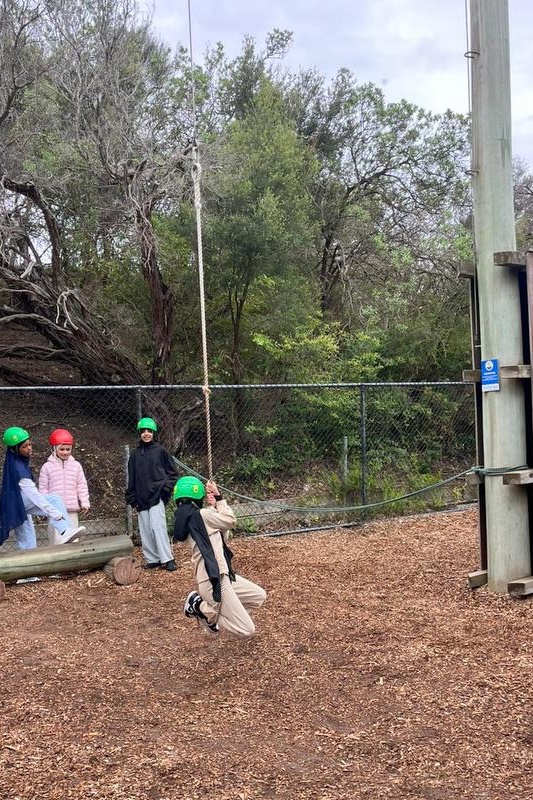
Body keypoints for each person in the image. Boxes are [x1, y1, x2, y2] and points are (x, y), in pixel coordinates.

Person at [173, 476, 266, 636]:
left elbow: (223, 536)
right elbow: (230, 521)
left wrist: (215, 508)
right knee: (247, 629)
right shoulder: (202, 515)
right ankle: (200, 607)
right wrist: (219, 497)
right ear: (198, 496)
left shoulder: (195, 519)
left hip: (221, 575)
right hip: (213, 580)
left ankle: (212, 612)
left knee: (258, 596)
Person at [0, 426, 86, 552]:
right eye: (24, 446)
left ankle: (31, 561)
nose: (29, 448)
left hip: (17, 505)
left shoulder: (16, 460)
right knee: (55, 500)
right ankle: (64, 530)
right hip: (17, 504)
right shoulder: (18, 468)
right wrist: (55, 513)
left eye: (29, 444)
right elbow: (34, 495)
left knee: (28, 543)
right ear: (15, 449)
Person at [125, 417, 178, 571]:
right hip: (141, 496)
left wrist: (165, 489)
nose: (146, 434)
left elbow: (173, 473)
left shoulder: (161, 451)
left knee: (157, 527)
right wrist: (132, 497)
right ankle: (153, 559)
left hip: (156, 495)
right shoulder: (135, 455)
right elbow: (132, 478)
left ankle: (167, 558)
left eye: (149, 431)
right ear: (140, 433)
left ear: (154, 433)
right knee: (145, 529)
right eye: (143, 431)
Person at [39, 428, 90, 544]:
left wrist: (85, 502)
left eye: (68, 449)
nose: (65, 452)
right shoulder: (47, 467)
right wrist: (44, 508)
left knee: (73, 541)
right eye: (62, 449)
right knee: (56, 542)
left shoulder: (76, 466)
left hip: (72, 510)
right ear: (54, 448)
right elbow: (43, 489)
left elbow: (82, 486)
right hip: (55, 512)